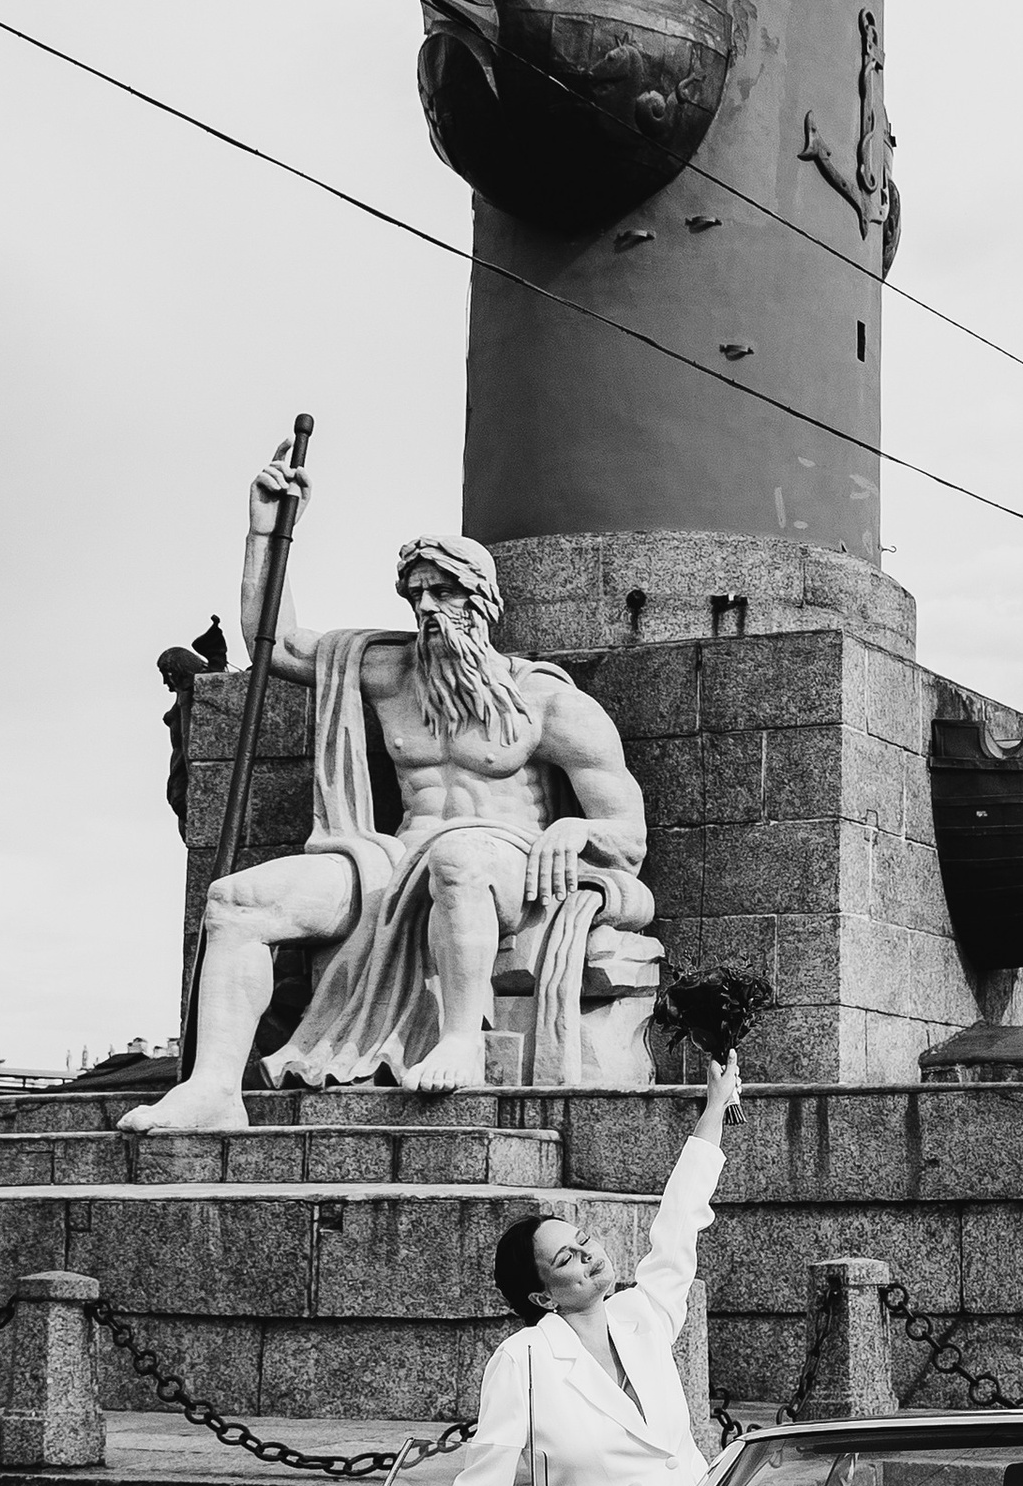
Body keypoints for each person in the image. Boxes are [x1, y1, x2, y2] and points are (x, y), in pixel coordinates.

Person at [131, 449, 655, 1129]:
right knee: (236, 902)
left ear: (484, 602)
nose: (429, 608)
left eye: (445, 593)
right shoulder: (385, 671)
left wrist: (577, 830)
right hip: (393, 861)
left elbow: (630, 836)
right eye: (417, 596)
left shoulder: (547, 705)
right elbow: (279, 644)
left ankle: (461, 1040)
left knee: (458, 859)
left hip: (505, 863)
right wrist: (265, 532)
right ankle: (215, 1090)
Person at [375, 1051, 742, 1486]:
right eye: (567, 1259)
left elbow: (678, 1228)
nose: (590, 1255)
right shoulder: (523, 1360)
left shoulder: (642, 1316)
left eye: (585, 1240)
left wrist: (713, 1115)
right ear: (544, 1297)